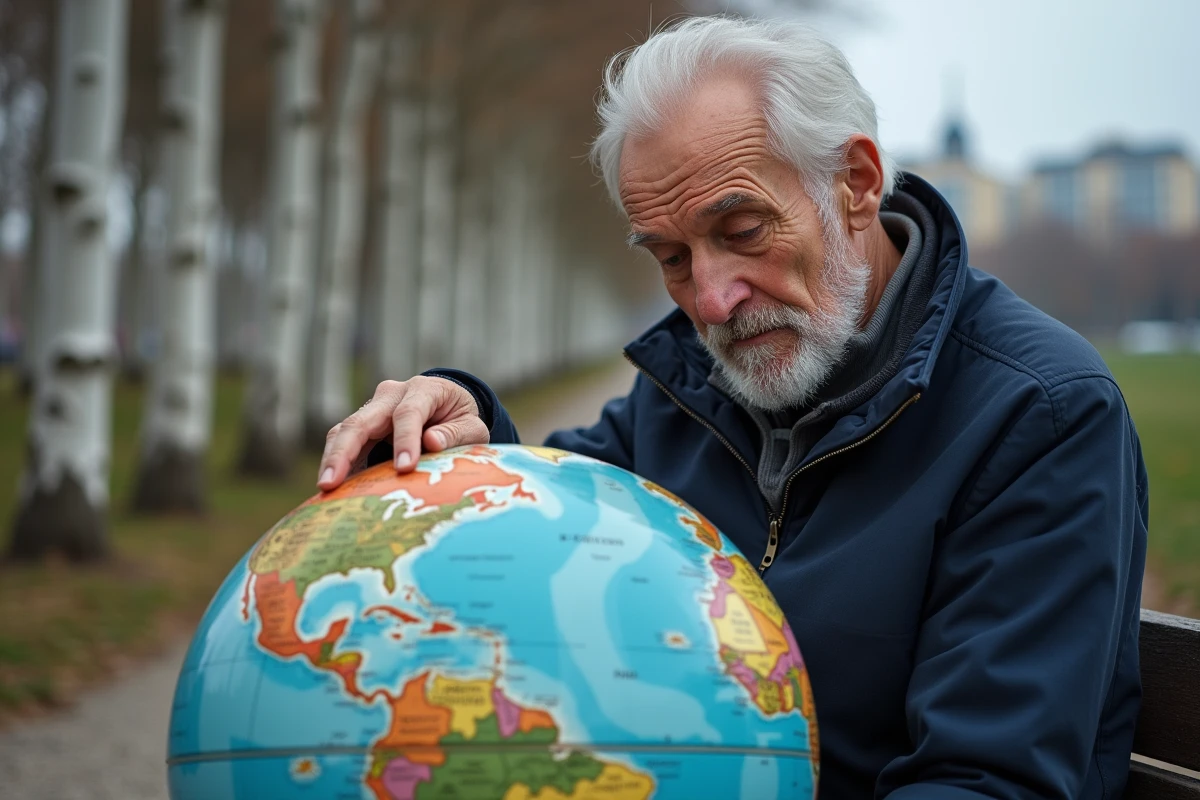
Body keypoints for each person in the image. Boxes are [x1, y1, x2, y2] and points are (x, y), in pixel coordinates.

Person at [317, 16, 1147, 799]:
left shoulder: (1040, 416)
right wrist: (466, 425)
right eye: (673, 257)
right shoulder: (688, 390)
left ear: (854, 182)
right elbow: (555, 515)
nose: (709, 301)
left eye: (744, 230)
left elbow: (989, 779)